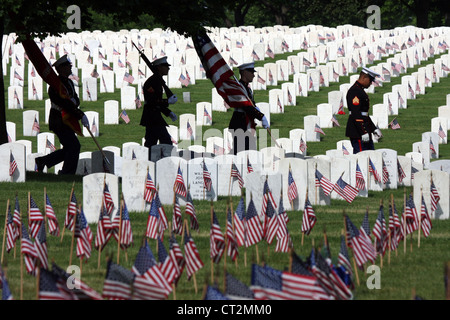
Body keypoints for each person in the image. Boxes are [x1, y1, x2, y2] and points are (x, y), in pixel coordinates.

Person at [35, 55, 89, 174]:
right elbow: (64, 104)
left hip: (67, 120)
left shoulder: (69, 82)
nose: (70, 68)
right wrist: (81, 115)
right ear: (61, 69)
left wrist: (75, 102)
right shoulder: (55, 86)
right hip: (59, 120)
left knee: (71, 147)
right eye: (68, 66)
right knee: (74, 146)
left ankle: (43, 161)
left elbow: (75, 99)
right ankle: (67, 173)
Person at [229, 62, 269, 154]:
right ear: (244, 73)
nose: (254, 75)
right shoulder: (238, 88)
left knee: (249, 152)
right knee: (240, 153)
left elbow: (251, 105)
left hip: (247, 122)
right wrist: (261, 117)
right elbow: (246, 106)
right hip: (240, 123)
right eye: (251, 72)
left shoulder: (247, 89)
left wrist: (257, 109)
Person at [140, 56, 177, 151]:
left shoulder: (157, 80)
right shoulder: (152, 82)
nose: (168, 68)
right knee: (166, 142)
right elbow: (152, 101)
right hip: (152, 117)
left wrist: (168, 112)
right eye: (165, 66)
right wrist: (167, 101)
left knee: (151, 143)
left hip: (154, 117)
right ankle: (163, 162)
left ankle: (148, 162)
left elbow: (157, 103)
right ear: (159, 67)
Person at [345, 67, 382, 153]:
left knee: (370, 156)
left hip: (364, 130)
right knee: (362, 157)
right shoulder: (355, 91)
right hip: (358, 132)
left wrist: (373, 129)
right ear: (364, 77)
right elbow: (356, 113)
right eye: (370, 81)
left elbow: (364, 114)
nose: (371, 84)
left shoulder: (359, 90)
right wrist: (363, 132)